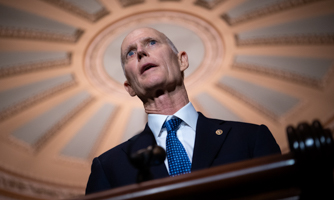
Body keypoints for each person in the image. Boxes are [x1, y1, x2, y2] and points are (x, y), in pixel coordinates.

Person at [85, 27, 281, 194]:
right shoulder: (109, 166)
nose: (140, 52)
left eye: (151, 42)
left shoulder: (250, 138)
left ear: (182, 61)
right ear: (129, 87)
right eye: (130, 53)